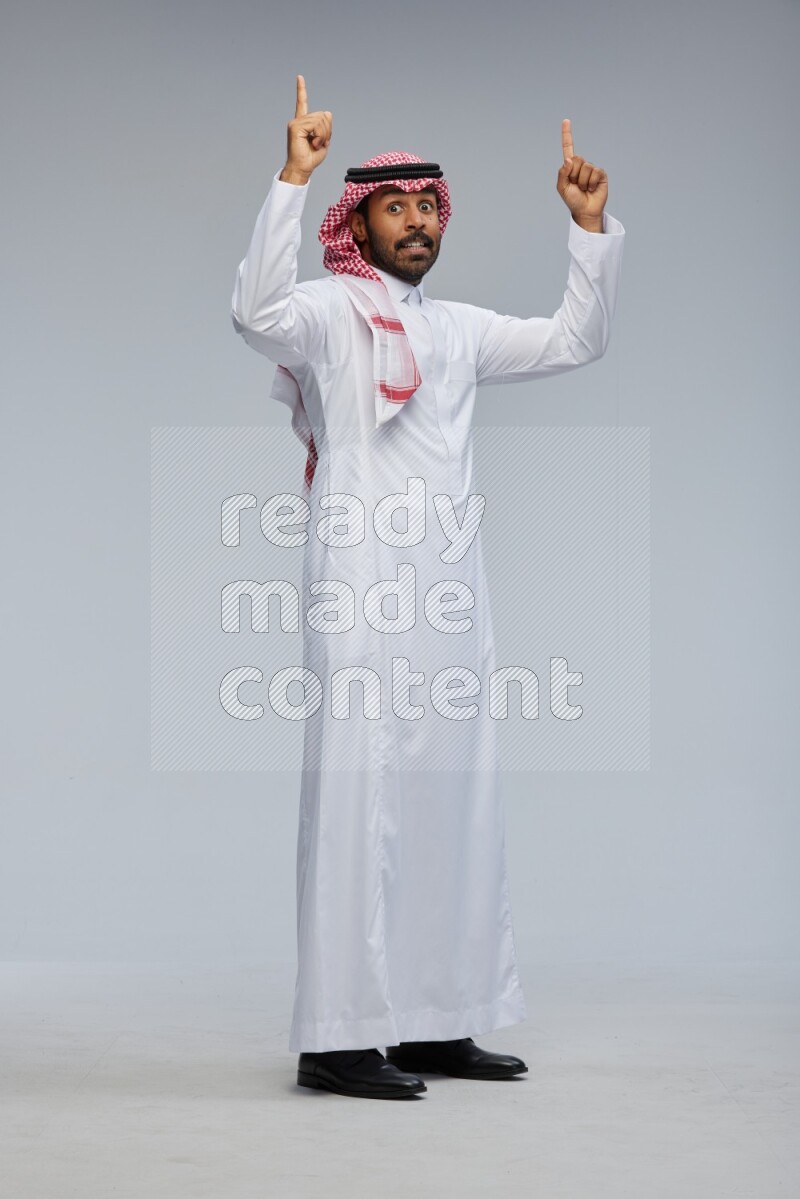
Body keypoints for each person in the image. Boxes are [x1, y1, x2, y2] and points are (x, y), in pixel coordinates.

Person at [231, 75, 625, 1100]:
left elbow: (574, 340)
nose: (413, 221)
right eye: (392, 206)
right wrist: (291, 174)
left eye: (424, 207)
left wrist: (587, 233)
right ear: (353, 220)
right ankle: (337, 1035)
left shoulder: (453, 329)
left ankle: (438, 1019)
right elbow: (253, 310)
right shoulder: (322, 314)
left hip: (449, 592)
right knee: (359, 803)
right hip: (358, 585)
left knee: (456, 796)